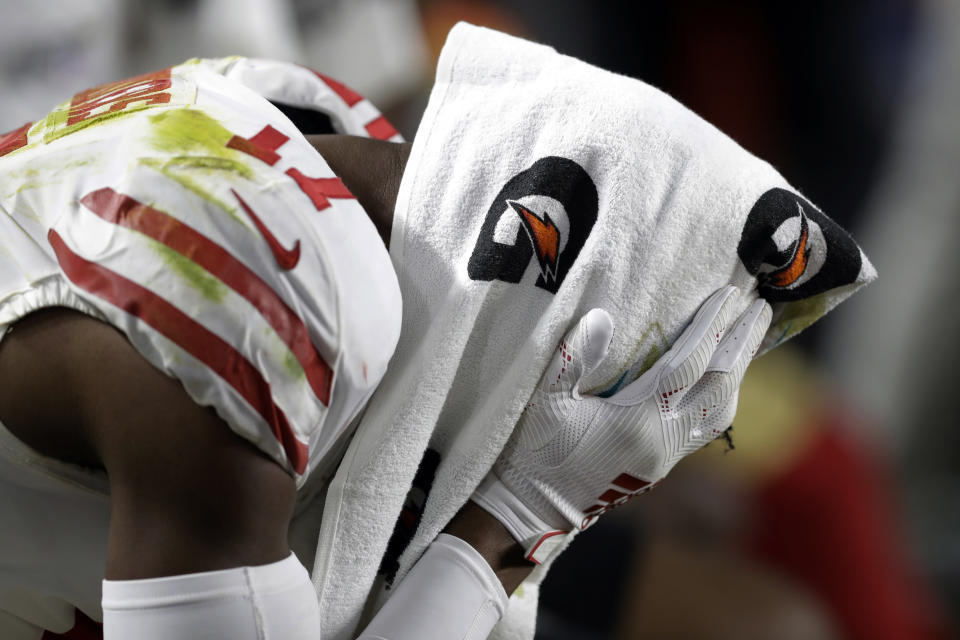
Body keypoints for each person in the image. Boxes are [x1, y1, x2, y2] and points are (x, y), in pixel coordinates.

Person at [0, 25, 870, 640]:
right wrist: (507, 528)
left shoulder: (350, 151)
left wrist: (513, 529)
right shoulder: (252, 294)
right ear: (554, 285)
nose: (637, 471)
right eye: (634, 391)